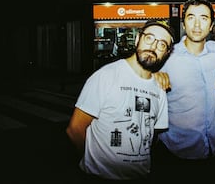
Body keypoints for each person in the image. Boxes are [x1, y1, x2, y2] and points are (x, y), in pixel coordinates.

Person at [65, 20, 175, 184]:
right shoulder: (107, 76)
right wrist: (96, 164)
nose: (153, 47)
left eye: (162, 44)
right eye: (149, 38)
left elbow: (152, 135)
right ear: (138, 39)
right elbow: (75, 129)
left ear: (166, 53)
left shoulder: (160, 88)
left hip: (141, 176)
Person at [150, 0, 215, 183]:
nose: (197, 24)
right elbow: (143, 76)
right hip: (175, 154)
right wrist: (154, 77)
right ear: (183, 22)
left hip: (212, 151)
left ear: (211, 25)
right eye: (190, 17)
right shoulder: (167, 55)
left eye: (203, 18)